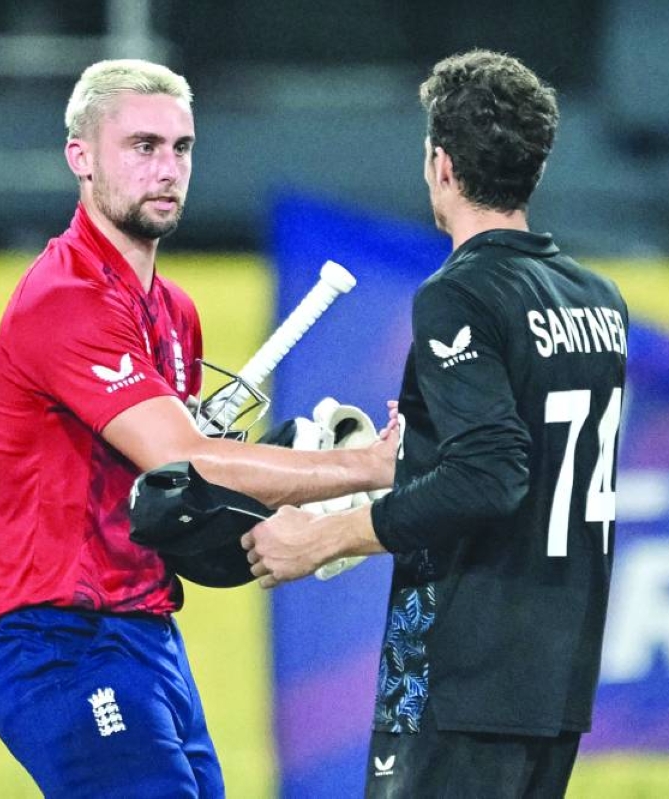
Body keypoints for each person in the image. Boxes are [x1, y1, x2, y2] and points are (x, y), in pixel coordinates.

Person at [0, 58, 397, 798]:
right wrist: (370, 470)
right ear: (82, 157)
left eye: (181, 147)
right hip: (55, 640)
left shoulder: (173, 313)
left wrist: (279, 502)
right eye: (142, 146)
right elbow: (187, 457)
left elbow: (173, 501)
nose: (167, 168)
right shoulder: (64, 297)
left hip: (144, 633)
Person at [243, 49, 629, 798]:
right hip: (556, 672)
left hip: (462, 673)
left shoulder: (461, 294)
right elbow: (525, 448)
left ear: (441, 165)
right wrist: (421, 446)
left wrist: (317, 536)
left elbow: (490, 475)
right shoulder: (597, 299)